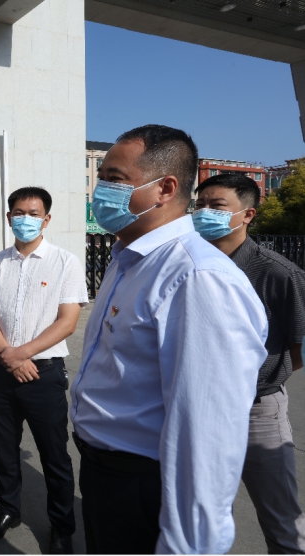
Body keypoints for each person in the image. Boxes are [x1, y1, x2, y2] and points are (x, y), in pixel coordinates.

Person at [70, 124, 268, 554]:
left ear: (165, 188)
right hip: (105, 474)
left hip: (144, 485)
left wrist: (188, 545)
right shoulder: (127, 260)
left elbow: (207, 436)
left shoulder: (197, 277)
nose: (101, 191)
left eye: (115, 179)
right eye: (101, 177)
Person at [194, 173, 305, 553]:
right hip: (199, 408)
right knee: (201, 514)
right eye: (199, 205)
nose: (203, 213)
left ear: (247, 215)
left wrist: (253, 377)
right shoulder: (191, 264)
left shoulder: (278, 273)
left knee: (281, 519)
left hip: (257, 411)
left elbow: (298, 347)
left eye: (216, 206)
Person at [0, 187, 88, 553]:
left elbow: (67, 321)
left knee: (54, 456)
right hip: (1, 371)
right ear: (9, 218)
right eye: (19, 213)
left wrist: (22, 354)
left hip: (44, 374)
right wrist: (8, 355)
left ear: (46, 219)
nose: (26, 219)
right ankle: (9, 509)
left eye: (34, 213)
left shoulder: (65, 262)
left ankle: (62, 526)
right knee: (4, 450)